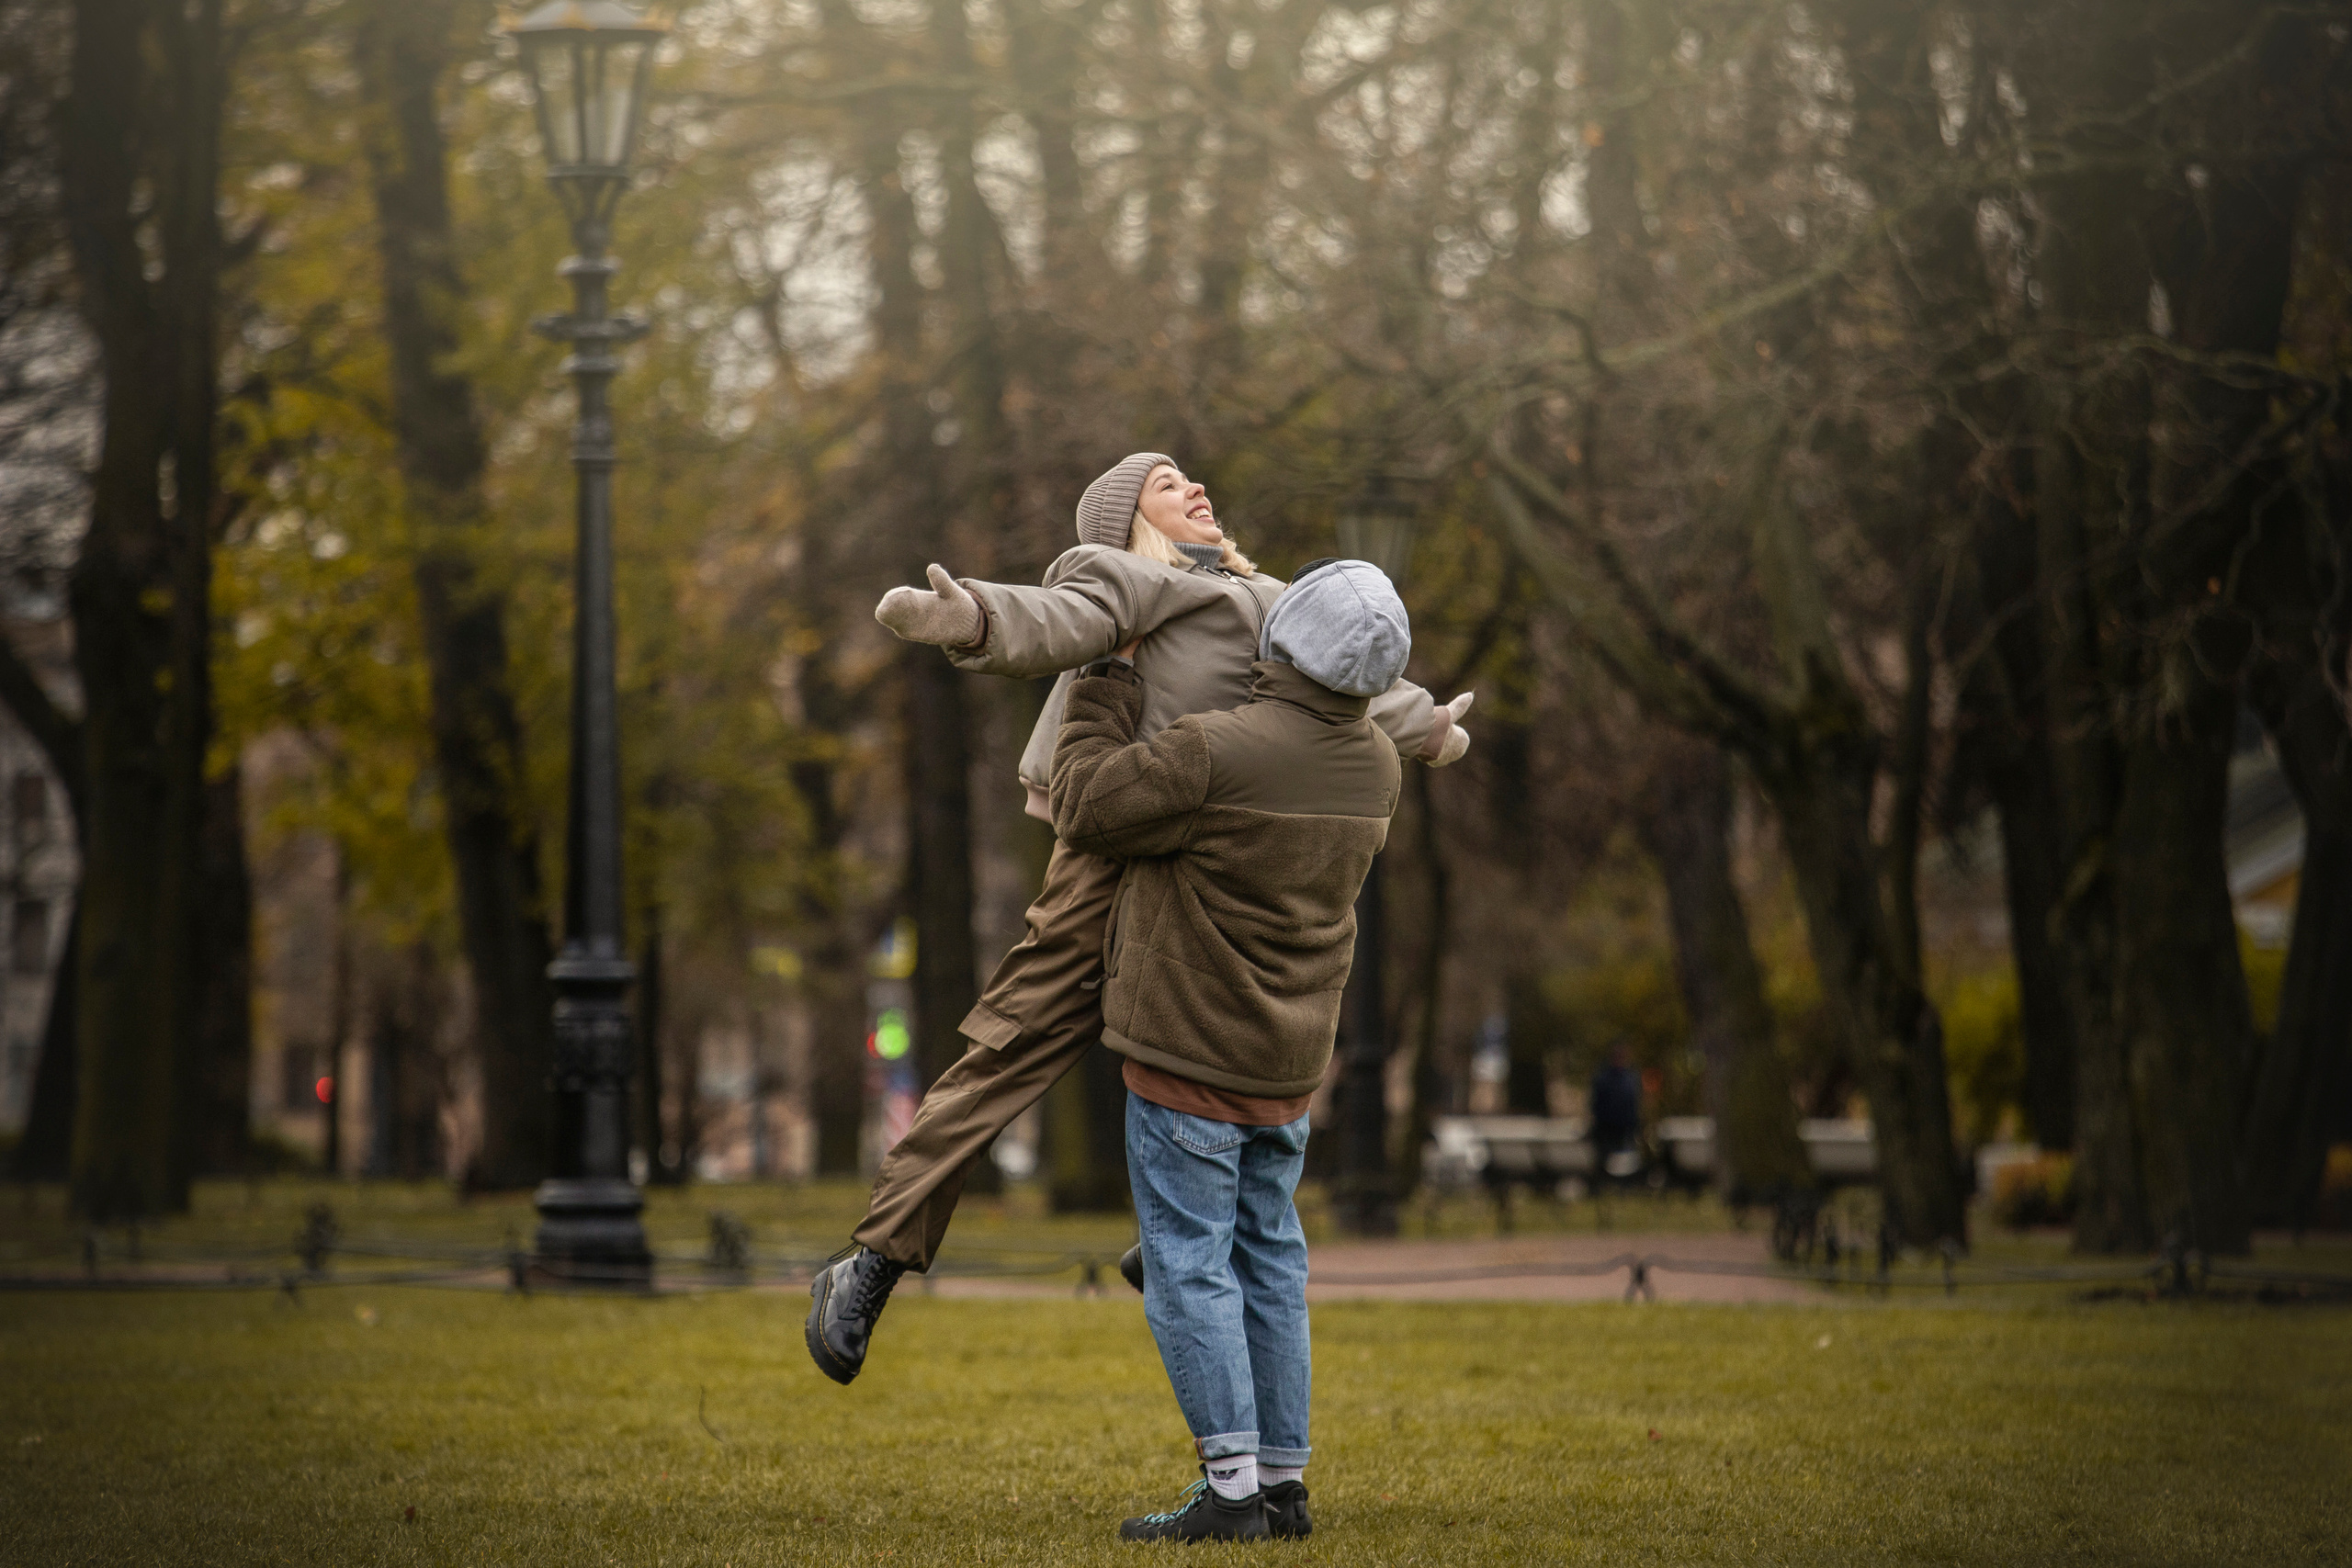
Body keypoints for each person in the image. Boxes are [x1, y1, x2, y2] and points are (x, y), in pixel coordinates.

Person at [806, 455, 1474, 1386]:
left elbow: (1341, 684)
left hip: (1210, 858)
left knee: (1236, 1040)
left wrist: (1428, 724)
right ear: (1129, 523)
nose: (1193, 487)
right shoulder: (1125, 579)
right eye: (1165, 484)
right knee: (1011, 1053)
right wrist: (975, 619)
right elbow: (1057, 618)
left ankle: (1172, 1237)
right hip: (1112, 852)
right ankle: (873, 1262)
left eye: (1191, 477)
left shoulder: (1273, 598)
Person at [1049, 558, 1411, 1542]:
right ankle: (1282, 1485)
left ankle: (1232, 1493)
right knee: (1269, 1262)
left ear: (1286, 640)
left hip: (1188, 1059)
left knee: (1189, 1266)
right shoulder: (1379, 764)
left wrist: (1106, 676)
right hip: (1286, 1065)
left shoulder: (1217, 750)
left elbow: (1084, 804)